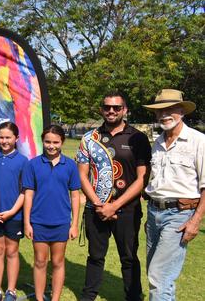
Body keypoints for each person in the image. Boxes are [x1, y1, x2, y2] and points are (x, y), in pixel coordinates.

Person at [77, 92, 151, 301]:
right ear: (101, 109)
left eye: (116, 107)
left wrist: (114, 205)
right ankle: (88, 296)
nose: (111, 111)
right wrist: (99, 205)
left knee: (128, 257)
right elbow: (82, 175)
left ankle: (133, 297)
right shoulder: (89, 138)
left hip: (127, 210)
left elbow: (142, 179)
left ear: (125, 110)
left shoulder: (138, 138)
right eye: (107, 107)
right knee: (95, 257)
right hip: (96, 210)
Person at [142, 89, 205, 300]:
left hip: (179, 215)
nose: (164, 115)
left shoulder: (198, 141)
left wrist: (195, 221)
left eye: (170, 109)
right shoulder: (157, 143)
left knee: (159, 275)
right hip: (153, 214)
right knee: (159, 274)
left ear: (182, 111)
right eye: (159, 111)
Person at [23, 125, 81, 301]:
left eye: (55, 142)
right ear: (42, 141)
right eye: (47, 141)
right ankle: (40, 298)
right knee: (40, 261)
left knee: (57, 262)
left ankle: (55, 298)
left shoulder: (70, 165)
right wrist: (27, 223)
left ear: (62, 142)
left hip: (62, 222)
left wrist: (74, 224)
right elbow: (28, 194)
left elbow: (75, 195)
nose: (51, 146)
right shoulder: (32, 164)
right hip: (38, 221)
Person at [0, 122, 27, 301]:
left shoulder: (23, 161)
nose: (4, 141)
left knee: (12, 251)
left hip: (14, 215)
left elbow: (25, 191)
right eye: (1, 137)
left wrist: (12, 211)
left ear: (16, 138)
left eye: (8, 137)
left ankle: (11, 290)